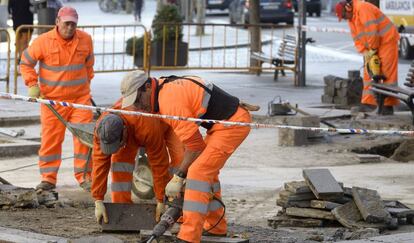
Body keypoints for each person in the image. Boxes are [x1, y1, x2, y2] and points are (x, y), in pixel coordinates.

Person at [120, 71, 256, 243]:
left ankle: (189, 237)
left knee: (198, 172)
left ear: (148, 87)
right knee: (207, 172)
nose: (138, 106)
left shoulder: (168, 101)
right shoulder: (164, 87)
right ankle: (216, 227)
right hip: (225, 121)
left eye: (138, 100)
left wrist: (178, 176)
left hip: (232, 125)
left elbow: (195, 147)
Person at [19, 6, 95, 192]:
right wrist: (32, 84)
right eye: (67, 23)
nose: (70, 28)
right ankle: (48, 179)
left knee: (84, 140)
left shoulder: (85, 39)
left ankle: (85, 177)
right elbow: (26, 62)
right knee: (51, 141)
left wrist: (85, 89)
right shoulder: (43, 42)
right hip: (52, 102)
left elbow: (89, 66)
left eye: (73, 24)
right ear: (57, 22)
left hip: (80, 101)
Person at [92, 95, 184, 224]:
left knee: (181, 163)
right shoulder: (102, 130)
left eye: (118, 144)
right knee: (119, 165)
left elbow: (159, 164)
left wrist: (160, 200)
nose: (116, 148)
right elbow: (99, 164)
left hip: (167, 124)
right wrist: (98, 200)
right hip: (132, 131)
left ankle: (178, 211)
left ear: (123, 132)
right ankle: (121, 211)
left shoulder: (146, 126)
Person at [335, 0, 399, 115]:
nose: (345, 19)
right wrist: (365, 52)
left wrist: (372, 50)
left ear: (348, 8)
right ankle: (369, 103)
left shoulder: (362, 8)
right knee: (368, 73)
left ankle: (387, 106)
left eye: (344, 16)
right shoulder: (351, 19)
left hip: (387, 40)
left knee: (387, 74)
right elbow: (356, 38)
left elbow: (372, 31)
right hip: (372, 46)